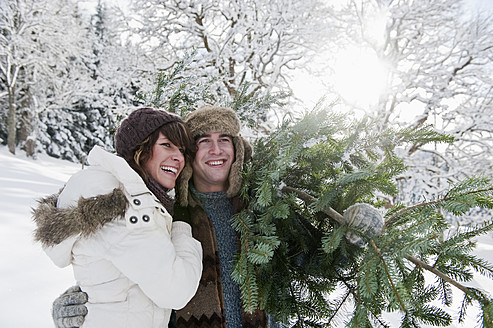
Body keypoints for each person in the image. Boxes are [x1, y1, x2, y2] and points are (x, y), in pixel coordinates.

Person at [49, 105, 383, 328]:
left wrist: (349, 237)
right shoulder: (166, 214)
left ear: (237, 149)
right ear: (190, 155)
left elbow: (313, 264)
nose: (216, 149)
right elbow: (126, 270)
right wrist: (80, 303)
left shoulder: (266, 208)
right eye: (203, 141)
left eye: (225, 139)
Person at [33, 107, 203, 327]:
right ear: (139, 149)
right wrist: (182, 224)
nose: (178, 157)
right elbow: (175, 291)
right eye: (166, 145)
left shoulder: (136, 196)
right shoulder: (121, 201)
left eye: (182, 150)